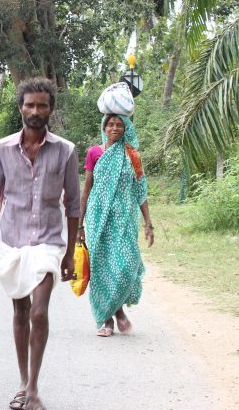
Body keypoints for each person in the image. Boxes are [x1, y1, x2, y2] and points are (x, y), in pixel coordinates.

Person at [0, 77, 80, 410]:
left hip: (49, 243)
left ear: (51, 108)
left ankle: (34, 388)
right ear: (21, 107)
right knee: (21, 312)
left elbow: (73, 204)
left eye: (42, 105)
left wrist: (68, 255)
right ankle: (23, 382)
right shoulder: (2, 149)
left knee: (39, 311)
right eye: (30, 104)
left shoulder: (66, 151)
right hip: (11, 242)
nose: (36, 111)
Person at [77, 113, 154, 337]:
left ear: (126, 127)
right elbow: (87, 189)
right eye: (110, 124)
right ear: (104, 127)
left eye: (119, 124)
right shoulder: (94, 152)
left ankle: (117, 310)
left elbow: (141, 191)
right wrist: (79, 226)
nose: (114, 128)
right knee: (102, 268)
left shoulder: (132, 155)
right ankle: (109, 319)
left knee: (126, 265)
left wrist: (149, 223)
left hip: (125, 220)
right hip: (99, 218)